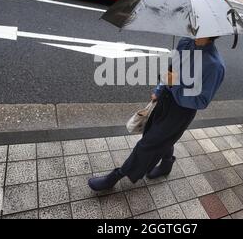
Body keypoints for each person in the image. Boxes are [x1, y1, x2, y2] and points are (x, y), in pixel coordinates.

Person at [88, 36, 226, 191]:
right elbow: (170, 70)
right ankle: (166, 164)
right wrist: (160, 89)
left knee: (147, 144)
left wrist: (175, 86)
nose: (192, 25)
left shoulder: (214, 65)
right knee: (153, 134)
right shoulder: (185, 43)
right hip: (164, 101)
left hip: (181, 112)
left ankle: (115, 177)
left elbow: (201, 101)